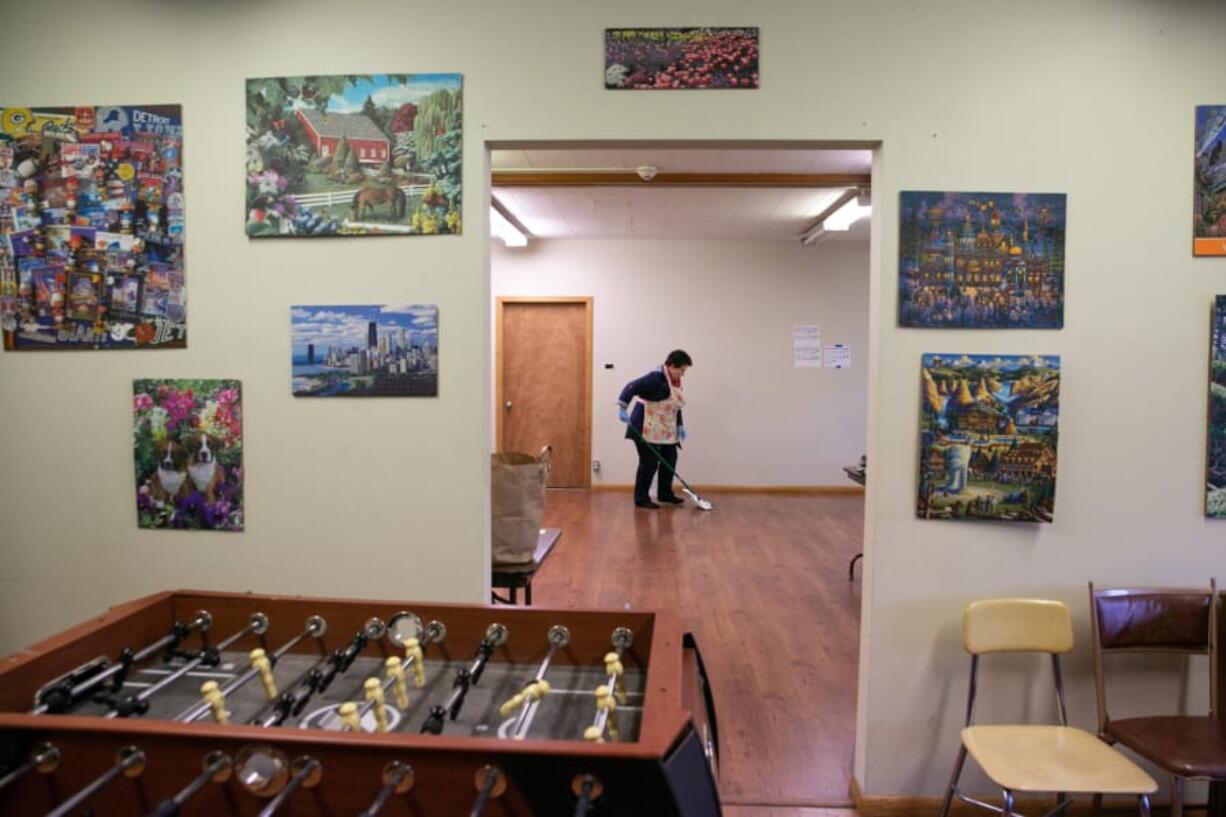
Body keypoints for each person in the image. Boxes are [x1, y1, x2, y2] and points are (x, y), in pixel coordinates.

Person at [617, 350, 692, 509]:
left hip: (664, 428)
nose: (683, 374)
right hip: (644, 426)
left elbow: (675, 406)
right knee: (649, 462)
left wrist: (680, 426)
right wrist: (623, 407)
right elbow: (632, 386)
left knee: (670, 458)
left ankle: (664, 494)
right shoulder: (655, 378)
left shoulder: (675, 382)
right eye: (682, 370)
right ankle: (641, 498)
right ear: (672, 366)